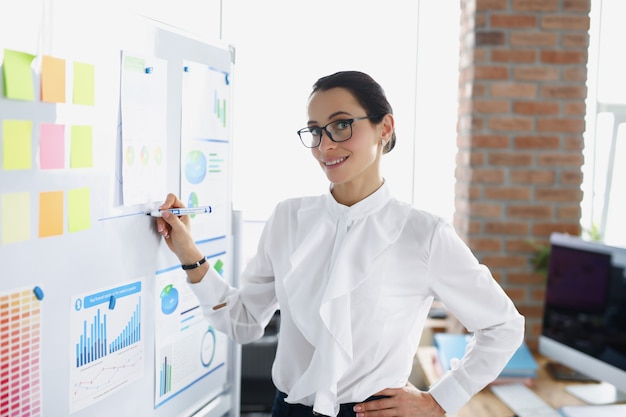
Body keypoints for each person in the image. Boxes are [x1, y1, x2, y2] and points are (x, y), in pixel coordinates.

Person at [156, 70, 525, 417]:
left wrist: (440, 400)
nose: (324, 145)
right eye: (315, 131)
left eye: (341, 125)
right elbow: (244, 322)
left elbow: (503, 326)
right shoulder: (288, 219)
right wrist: (188, 252)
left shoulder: (423, 233)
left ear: (385, 127)